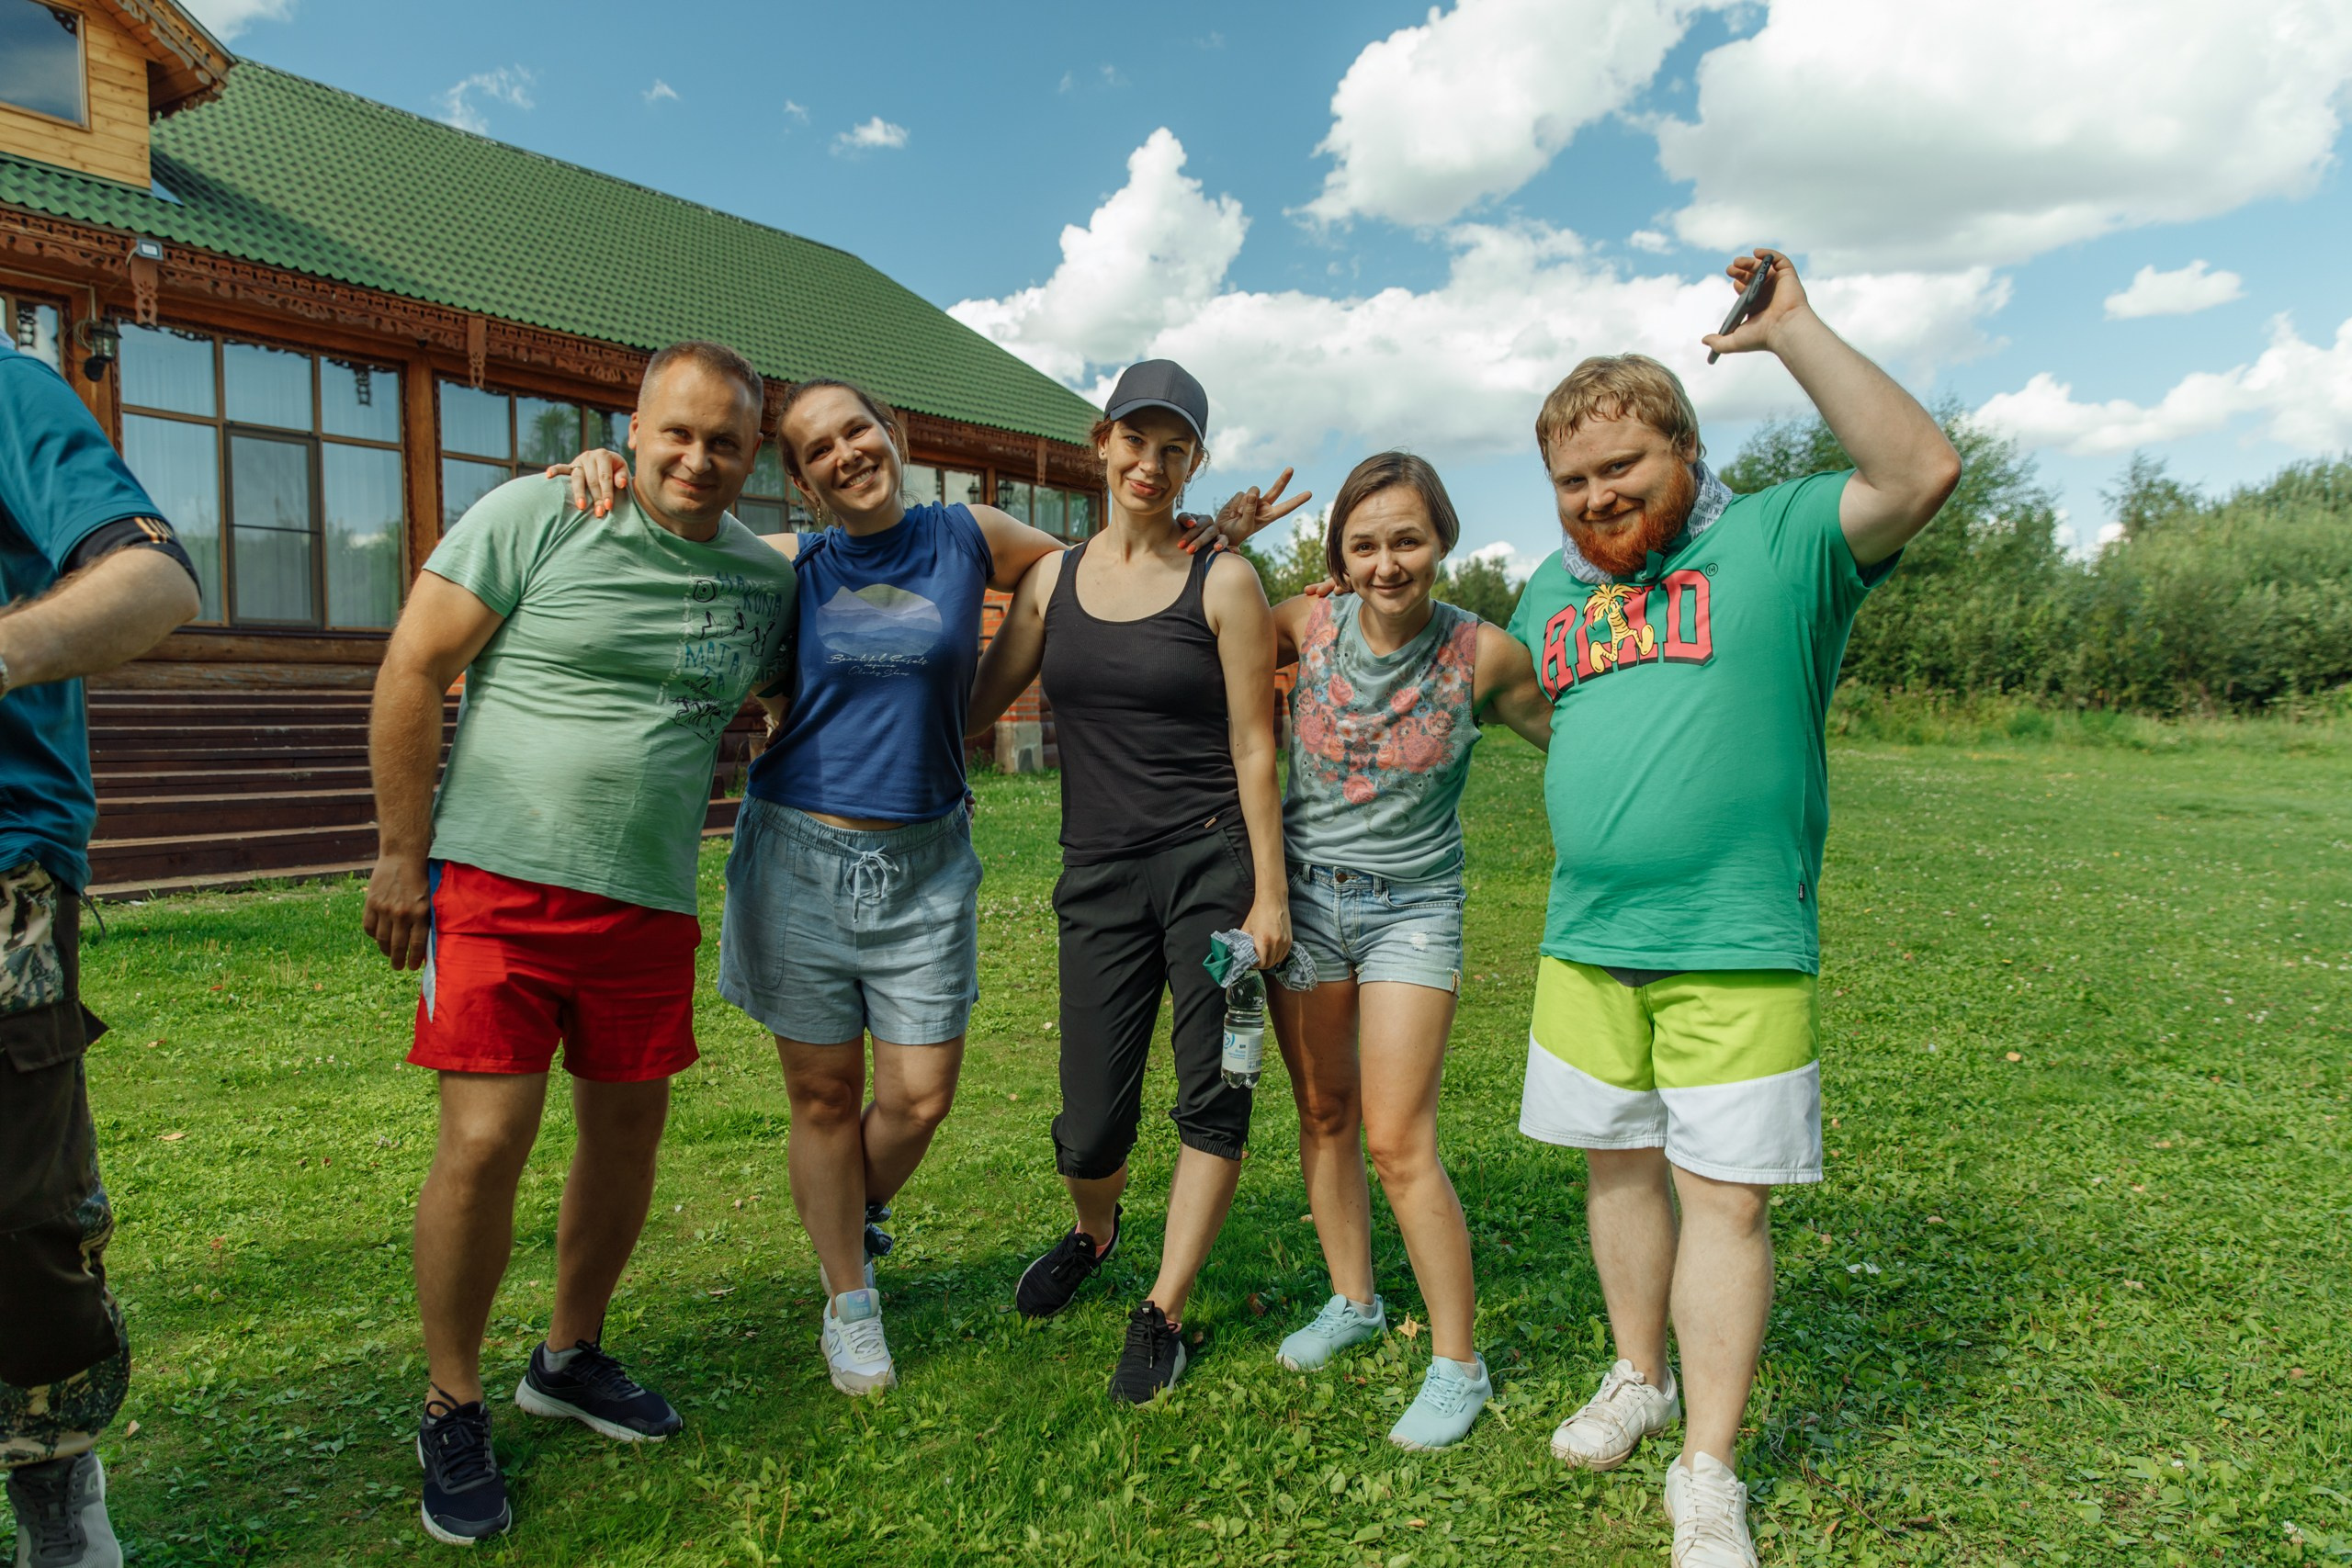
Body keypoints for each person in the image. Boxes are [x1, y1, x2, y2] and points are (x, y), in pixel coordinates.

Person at [1507, 254, 1960, 1567]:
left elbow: (1920, 469)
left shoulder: (1782, 537)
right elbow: (1543, 707)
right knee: (1617, 1166)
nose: (1597, 498)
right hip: (1585, 942)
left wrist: (1796, 332)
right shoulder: (1554, 590)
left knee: (1729, 1202)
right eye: (1573, 481)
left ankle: (1707, 1463)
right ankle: (1636, 1372)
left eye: (1622, 468)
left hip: (1739, 943)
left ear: (1686, 450)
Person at [552, 378, 1068, 1398]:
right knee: (824, 1097)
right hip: (800, 855)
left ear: (895, 433)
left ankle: (845, 1216)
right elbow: (657, 544)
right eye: (817, 448)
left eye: (859, 431)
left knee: (918, 1100)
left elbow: (1067, 571)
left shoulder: (969, 534)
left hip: (925, 863)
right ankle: (849, 1300)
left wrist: (985, 697)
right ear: (797, 478)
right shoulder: (788, 563)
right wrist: (594, 471)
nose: (846, 455)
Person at [363, 341, 798, 1547]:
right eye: (677, 431)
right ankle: (452, 1399)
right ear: (636, 426)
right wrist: (404, 851)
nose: (696, 458)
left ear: (753, 455)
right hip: (498, 886)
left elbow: (809, 675)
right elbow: (414, 666)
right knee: (488, 1136)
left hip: (647, 902)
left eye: (724, 440)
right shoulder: (542, 512)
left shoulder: (767, 583)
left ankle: (570, 1351)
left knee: (625, 1135)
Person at [968, 359, 1307, 1403]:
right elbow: (976, 704)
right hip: (1100, 877)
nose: (1151, 464)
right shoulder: (1050, 581)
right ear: (1099, 442)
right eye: (1135, 441)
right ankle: (1095, 1227)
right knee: (1090, 1124)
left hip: (1213, 868)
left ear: (1194, 460)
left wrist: (1269, 893)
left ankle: (1159, 1307)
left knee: (1217, 1090)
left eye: (1175, 449)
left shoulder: (1227, 582)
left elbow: (1257, 747)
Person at [1261, 451, 1553, 1450]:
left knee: (1398, 1137)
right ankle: (1354, 1299)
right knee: (1323, 1111)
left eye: (1407, 541)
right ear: (1337, 554)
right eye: (1366, 543)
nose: (1388, 563)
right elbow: (1205, 643)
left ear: (1442, 543)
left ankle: (1455, 1363)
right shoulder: (1300, 622)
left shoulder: (1485, 656)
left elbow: (1589, 740)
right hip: (1303, 899)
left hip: (1411, 911)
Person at [0, 338, 201, 1567]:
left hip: (1, 863)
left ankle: (56, 1482)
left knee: (17, 1215)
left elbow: (156, 582)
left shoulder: (9, 390)